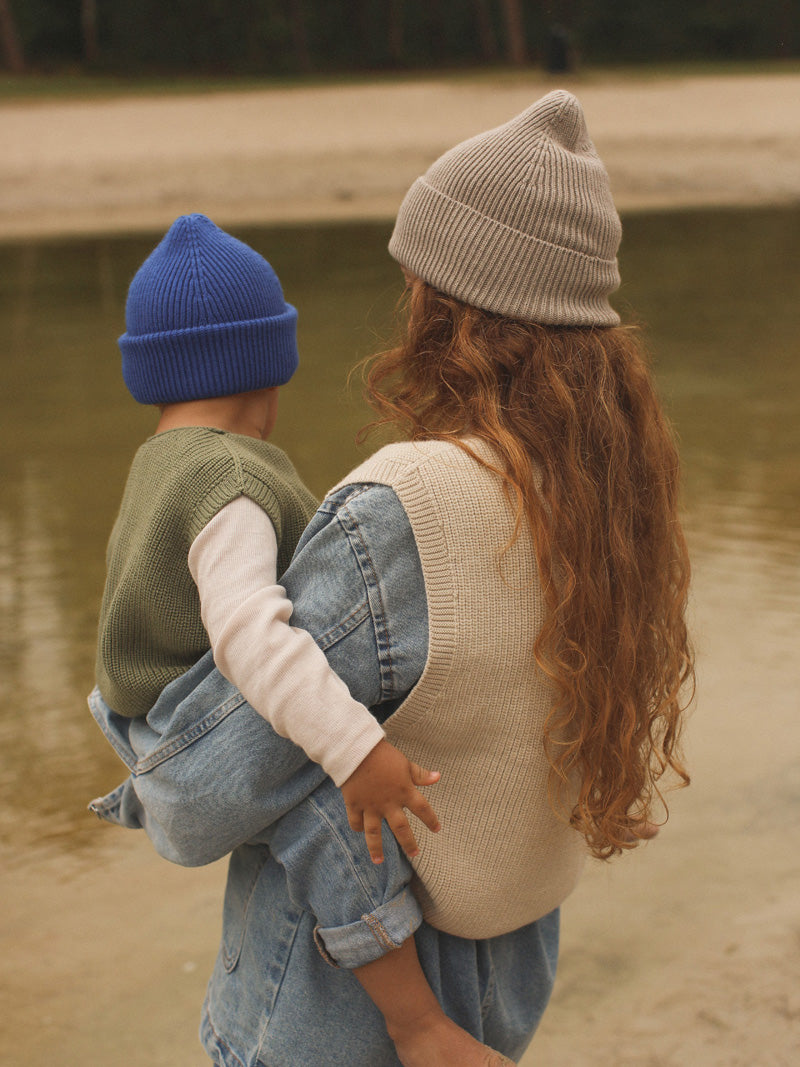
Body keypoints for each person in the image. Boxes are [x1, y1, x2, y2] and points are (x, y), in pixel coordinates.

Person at [90, 90, 694, 1066]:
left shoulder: (406, 503)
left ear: (447, 301)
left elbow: (197, 799)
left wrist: (122, 714)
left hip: (348, 992)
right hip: (513, 952)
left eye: (414, 275)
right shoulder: (602, 491)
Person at [91, 213, 511, 1066]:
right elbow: (250, 633)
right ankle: (417, 1023)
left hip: (142, 717)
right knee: (334, 825)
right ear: (269, 364)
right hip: (195, 729)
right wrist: (355, 749)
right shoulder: (230, 479)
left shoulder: (158, 463)